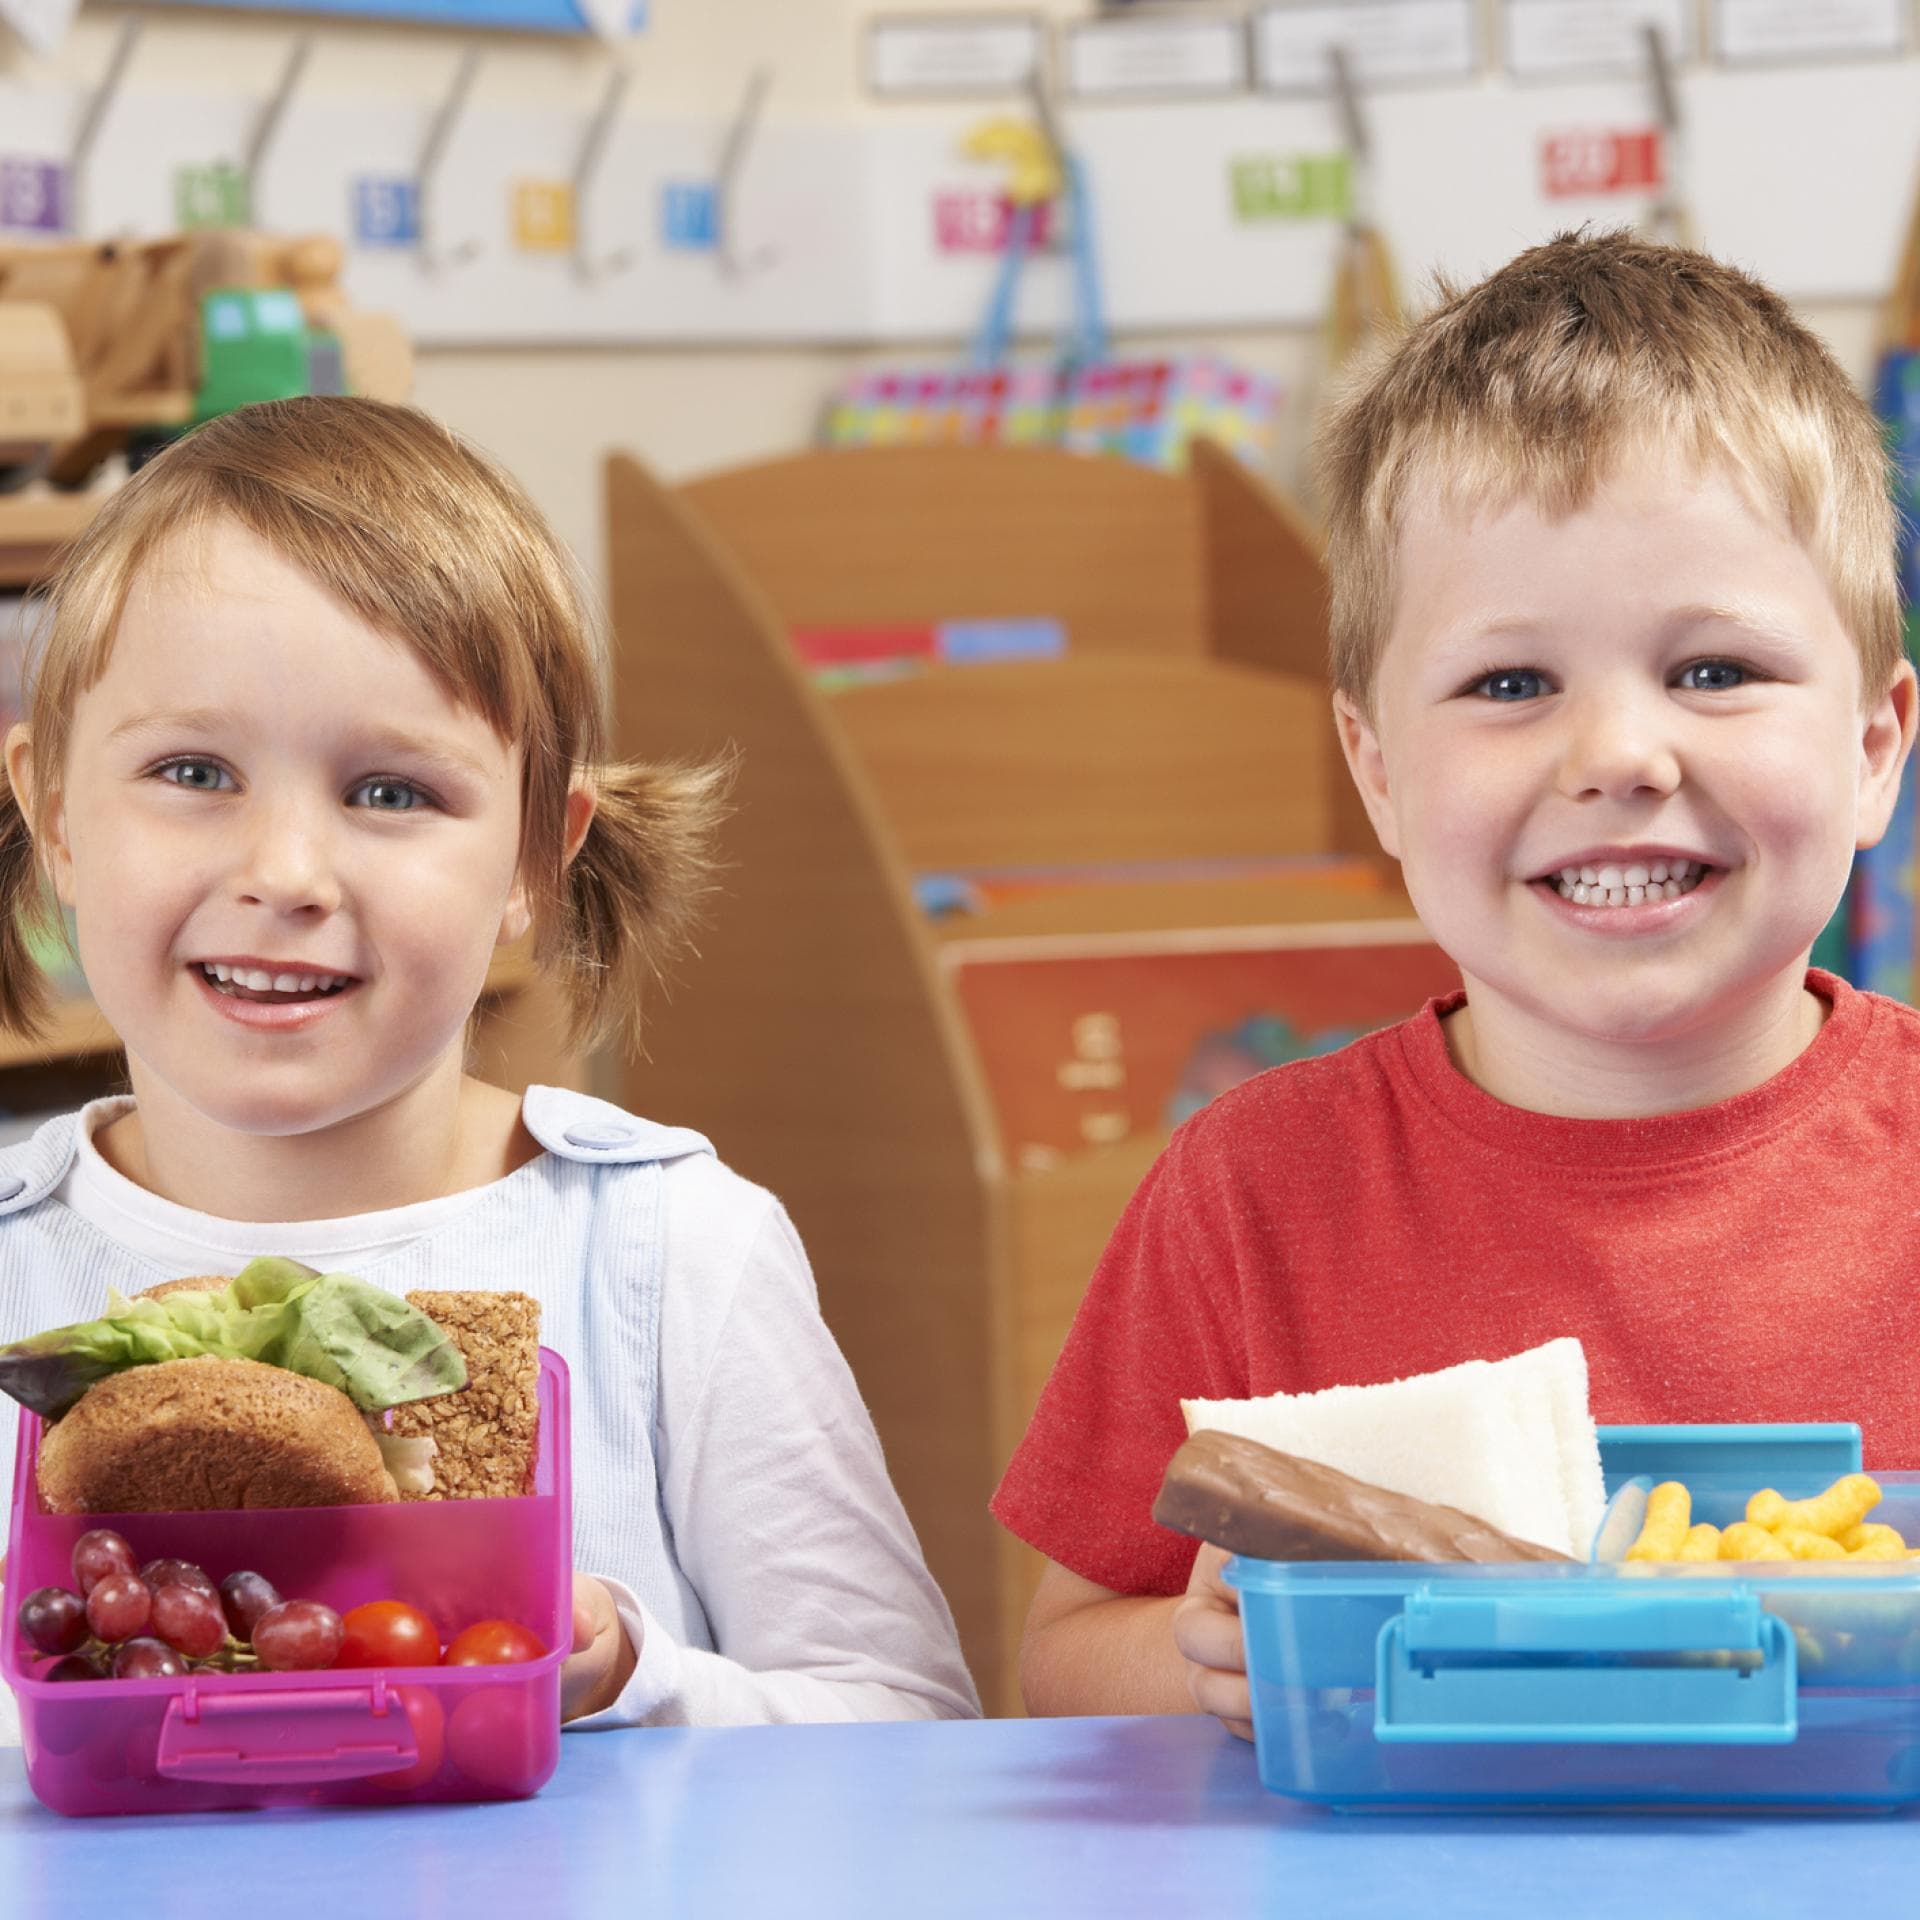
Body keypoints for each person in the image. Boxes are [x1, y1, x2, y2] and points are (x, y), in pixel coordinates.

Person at [991, 229, 1920, 1737]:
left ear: (1875, 748)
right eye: (1510, 684)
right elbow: (1066, 1660)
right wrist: (1213, 1656)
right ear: (1376, 770)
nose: (1618, 755)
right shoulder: (1251, 1192)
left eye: (1713, 672)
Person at [0, 396, 978, 1739]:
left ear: (533, 857)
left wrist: (638, 1680)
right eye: (192, 771)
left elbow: (909, 1726)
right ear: (55, 815)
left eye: (391, 792)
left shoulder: (671, 1251)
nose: (285, 873)